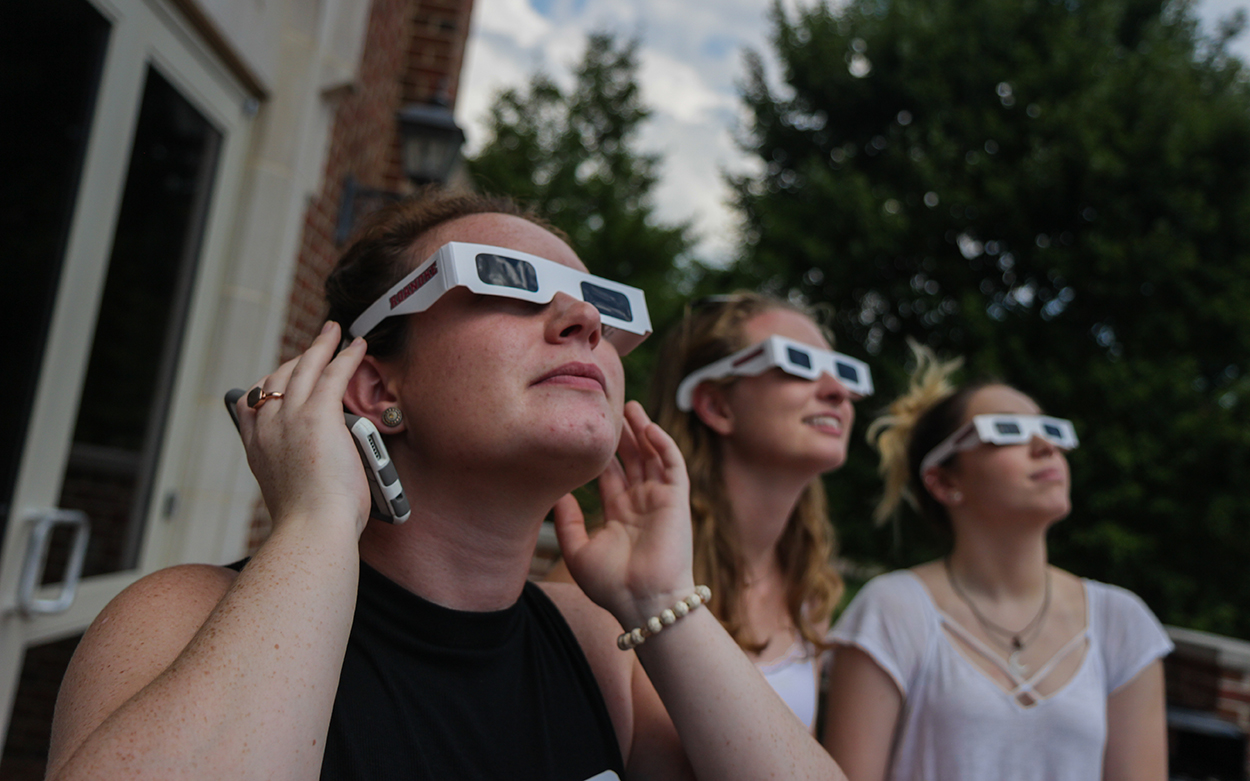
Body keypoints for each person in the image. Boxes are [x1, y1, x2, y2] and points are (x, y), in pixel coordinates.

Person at [44, 192, 843, 781]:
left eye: (601, 304)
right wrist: (317, 519)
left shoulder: (599, 642)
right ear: (369, 385)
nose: (583, 321)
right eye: (507, 280)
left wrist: (658, 598)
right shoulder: (183, 615)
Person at [822, 344, 1172, 781]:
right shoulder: (892, 613)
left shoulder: (1124, 624)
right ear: (944, 481)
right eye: (1007, 431)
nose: (1044, 446)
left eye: (1050, 431)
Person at [646, 292, 871, 731]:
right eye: (796, 363)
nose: (838, 392)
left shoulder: (810, 594)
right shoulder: (616, 580)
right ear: (716, 405)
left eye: (844, 373)